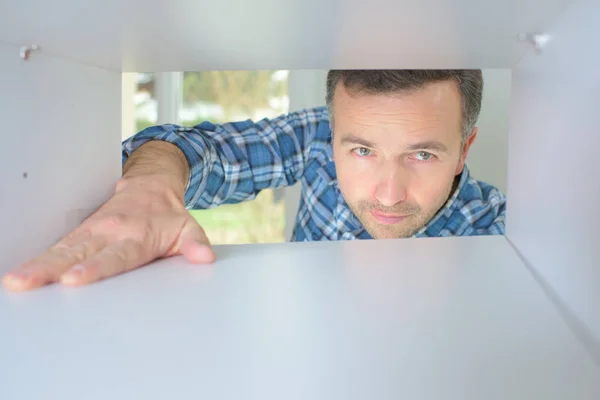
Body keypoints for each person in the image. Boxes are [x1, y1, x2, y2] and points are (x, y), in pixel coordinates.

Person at [2, 69, 505, 292]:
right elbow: (207, 149)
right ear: (335, 137)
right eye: (362, 151)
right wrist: (152, 185)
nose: (389, 194)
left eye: (421, 154)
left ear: (464, 149)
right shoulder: (316, 137)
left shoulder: (505, 234)